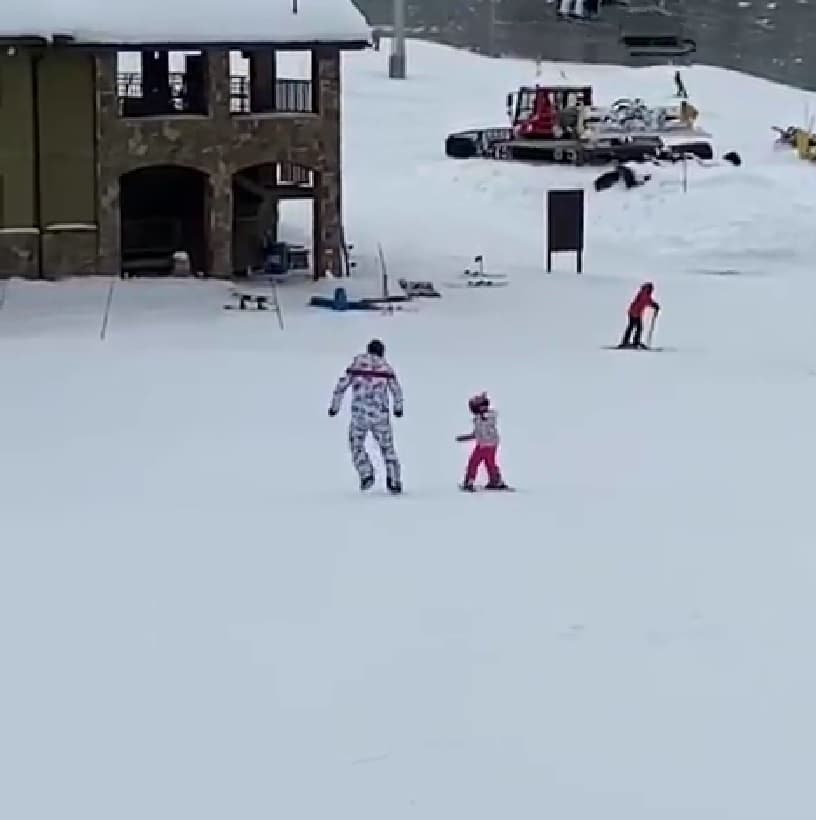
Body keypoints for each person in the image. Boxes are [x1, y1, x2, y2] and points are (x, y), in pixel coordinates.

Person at [329, 338, 404, 493]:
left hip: (359, 415)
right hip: (380, 415)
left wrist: (334, 407)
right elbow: (396, 390)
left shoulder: (356, 365)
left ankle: (366, 473)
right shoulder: (386, 368)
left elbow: (341, 386)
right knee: (387, 448)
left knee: (356, 445)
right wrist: (398, 408)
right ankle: (394, 480)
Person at [456, 393, 509, 491]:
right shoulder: (478, 419)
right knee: (489, 463)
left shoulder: (488, 417)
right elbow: (477, 433)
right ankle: (495, 480)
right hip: (484, 444)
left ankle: (469, 481)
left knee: (474, 462)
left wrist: (484, 416)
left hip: (487, 445)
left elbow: (489, 422)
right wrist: (466, 437)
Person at [619, 282, 659, 349]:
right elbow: (646, 301)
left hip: (635, 312)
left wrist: (654, 305)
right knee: (637, 327)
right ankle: (634, 342)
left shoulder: (643, 293)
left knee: (633, 327)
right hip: (635, 313)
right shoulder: (644, 294)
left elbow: (648, 301)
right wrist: (654, 305)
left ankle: (627, 341)